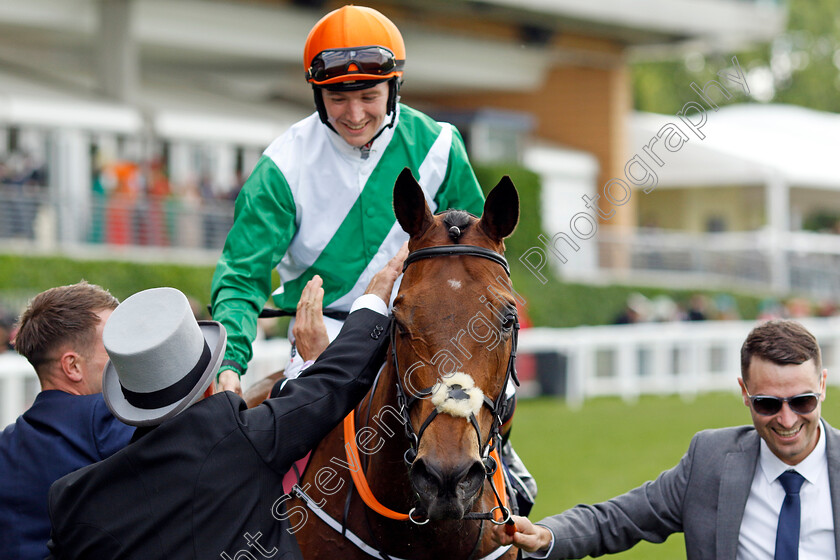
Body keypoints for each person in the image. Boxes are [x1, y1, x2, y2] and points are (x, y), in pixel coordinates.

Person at [46, 253, 403, 559]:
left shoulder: (72, 498)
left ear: (129, 396)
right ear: (208, 385)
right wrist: (374, 297)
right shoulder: (237, 439)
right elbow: (335, 382)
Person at [210, 4, 485, 395]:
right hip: (325, 337)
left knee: (491, 414)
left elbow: (477, 256)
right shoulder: (281, 166)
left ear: (395, 88)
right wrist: (230, 364)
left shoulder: (440, 145)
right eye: (337, 98)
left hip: (425, 331)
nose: (354, 114)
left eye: (369, 96)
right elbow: (241, 276)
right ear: (318, 93)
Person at [494, 319, 840, 559]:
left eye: (802, 401)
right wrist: (546, 536)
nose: (787, 418)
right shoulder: (711, 459)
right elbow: (617, 519)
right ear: (745, 394)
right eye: (767, 404)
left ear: (822, 386)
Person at [0, 282, 134, 560]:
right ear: (72, 366)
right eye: (115, 344)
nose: (128, 354)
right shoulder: (106, 417)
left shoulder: (6, 447)